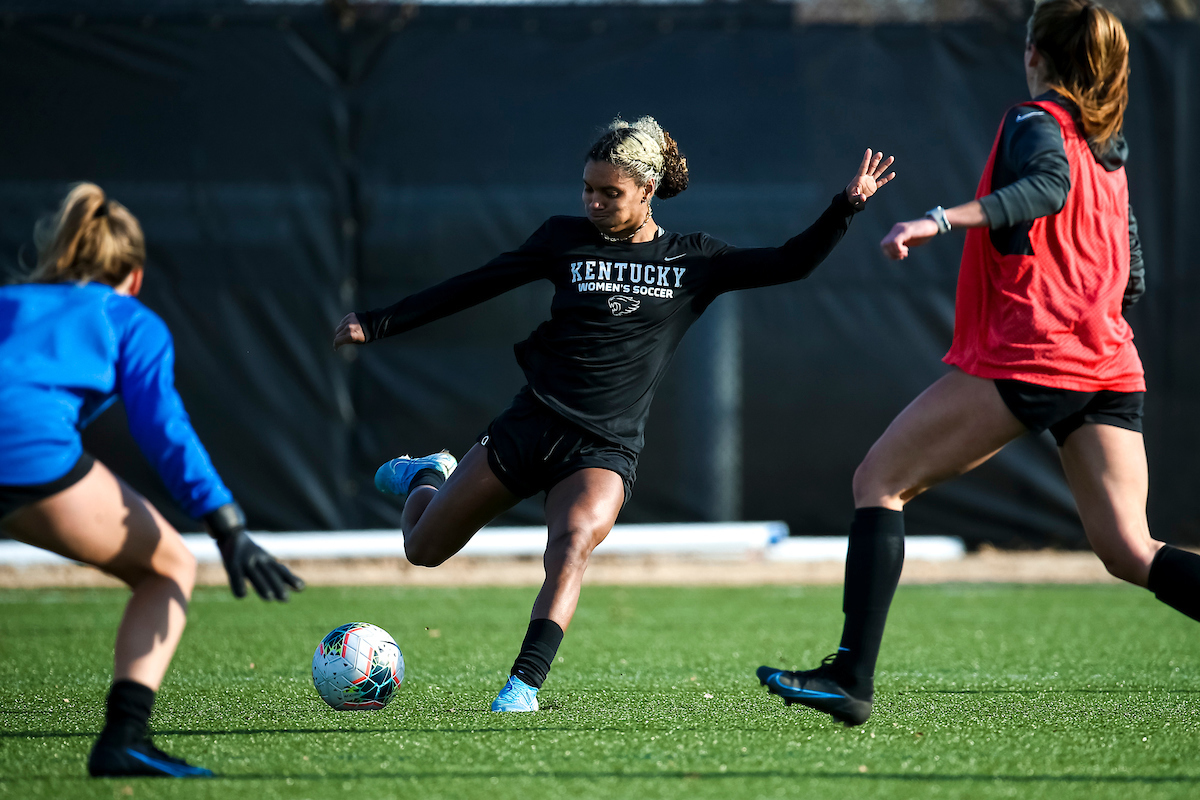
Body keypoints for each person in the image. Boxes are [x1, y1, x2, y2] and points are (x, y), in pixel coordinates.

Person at [334, 116, 895, 712]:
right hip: (530, 426)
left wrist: (846, 206)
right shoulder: (562, 238)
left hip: (603, 446)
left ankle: (522, 685)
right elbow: (476, 285)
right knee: (422, 550)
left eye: (610, 192)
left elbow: (790, 262)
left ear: (647, 189)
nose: (595, 202)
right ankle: (428, 475)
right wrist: (378, 322)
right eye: (588, 189)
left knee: (572, 541)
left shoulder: (692, 259)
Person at [757, 0, 1200, 727]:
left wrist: (937, 220)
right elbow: (1134, 270)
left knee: (880, 480)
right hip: (1110, 366)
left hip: (1039, 357)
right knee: (1129, 549)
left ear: (1036, 52)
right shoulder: (1106, 148)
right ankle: (848, 676)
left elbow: (1043, 191)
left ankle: (850, 677)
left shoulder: (1037, 123)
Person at [0, 184, 304, 777]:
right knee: (171, 566)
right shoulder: (127, 318)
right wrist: (228, 526)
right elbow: (163, 428)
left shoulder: (8, 300)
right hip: (25, 448)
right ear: (134, 277)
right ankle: (124, 741)